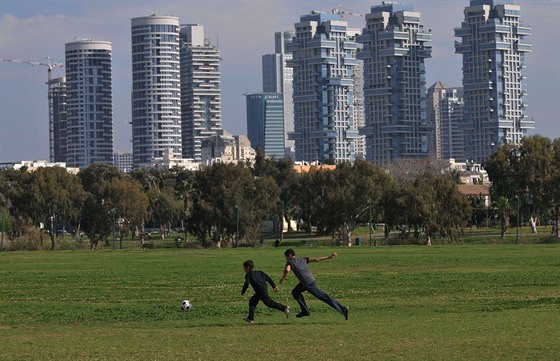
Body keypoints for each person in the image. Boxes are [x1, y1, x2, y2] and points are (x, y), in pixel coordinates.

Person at [279, 248, 349, 320]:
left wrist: (282, 279)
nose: (286, 259)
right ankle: (305, 311)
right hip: (309, 280)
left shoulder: (290, 262)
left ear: (290, 255)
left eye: (286, 257)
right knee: (295, 292)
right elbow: (317, 259)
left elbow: (287, 269)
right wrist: (329, 257)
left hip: (308, 284)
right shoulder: (303, 259)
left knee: (324, 297)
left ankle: (343, 309)